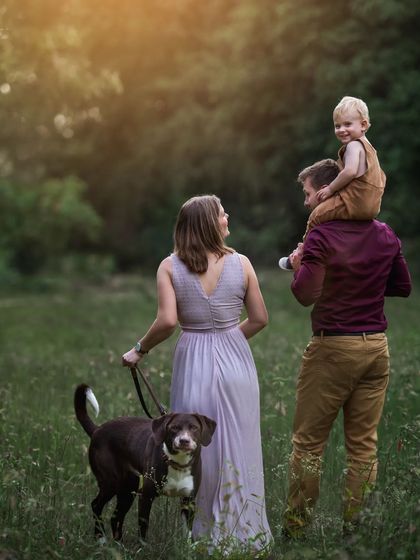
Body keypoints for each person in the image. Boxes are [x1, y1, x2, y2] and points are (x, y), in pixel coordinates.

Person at [122, 195, 272, 553]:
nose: (227, 216)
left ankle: (201, 531)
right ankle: (245, 529)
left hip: (194, 358)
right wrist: (229, 340)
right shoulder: (243, 263)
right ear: (210, 222)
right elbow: (260, 319)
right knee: (238, 444)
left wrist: (138, 349)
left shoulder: (170, 266)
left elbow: (168, 322)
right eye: (222, 213)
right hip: (236, 359)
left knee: (191, 443)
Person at [282, 159, 412, 537]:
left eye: (309, 193)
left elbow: (305, 294)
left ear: (330, 191)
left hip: (333, 349)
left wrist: (297, 263)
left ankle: (295, 532)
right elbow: (402, 287)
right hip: (376, 349)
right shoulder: (385, 234)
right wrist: (363, 287)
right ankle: (358, 532)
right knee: (363, 448)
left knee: (308, 445)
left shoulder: (320, 237)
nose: (308, 203)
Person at [279, 95, 386, 270]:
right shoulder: (370, 150)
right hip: (371, 206)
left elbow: (350, 171)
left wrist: (330, 189)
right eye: (338, 126)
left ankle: (301, 254)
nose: (342, 129)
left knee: (317, 215)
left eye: (348, 124)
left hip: (355, 202)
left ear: (364, 125)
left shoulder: (353, 146)